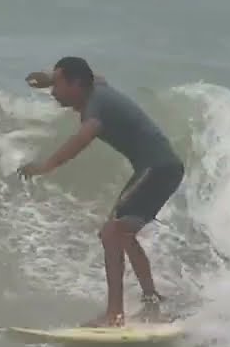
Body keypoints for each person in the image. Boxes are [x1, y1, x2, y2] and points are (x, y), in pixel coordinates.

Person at [18, 56, 184, 327]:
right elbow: (98, 76)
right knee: (122, 234)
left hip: (156, 168)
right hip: (161, 167)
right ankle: (152, 300)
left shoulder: (95, 108)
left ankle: (114, 314)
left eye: (58, 85)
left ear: (76, 84)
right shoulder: (97, 88)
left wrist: (45, 167)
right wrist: (49, 77)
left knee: (111, 233)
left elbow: (82, 138)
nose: (53, 92)